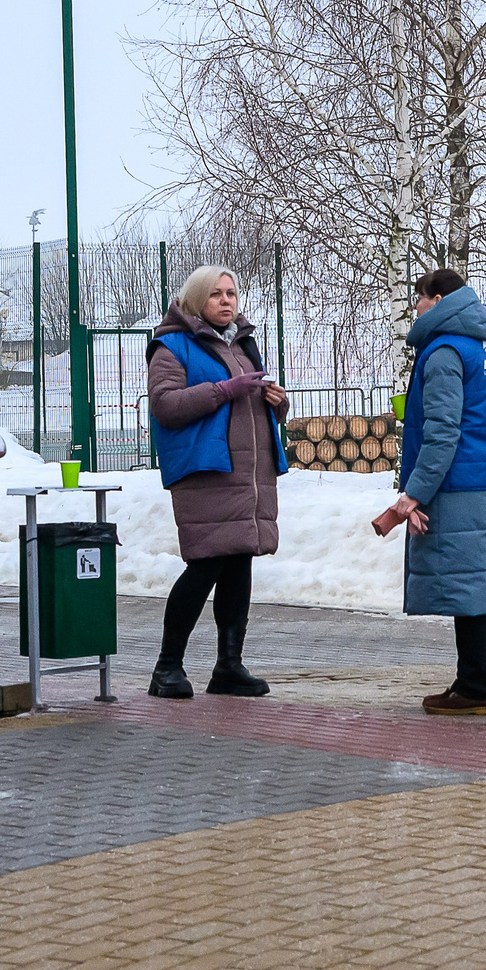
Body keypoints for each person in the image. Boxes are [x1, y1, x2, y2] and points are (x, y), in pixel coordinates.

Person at [146, 264, 289, 699]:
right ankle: (167, 667)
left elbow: (250, 402)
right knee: (205, 564)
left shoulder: (242, 343)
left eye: (231, 293)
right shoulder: (172, 346)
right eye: (216, 294)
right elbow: (165, 405)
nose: (226, 301)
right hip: (207, 472)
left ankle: (229, 666)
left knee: (239, 562)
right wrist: (226, 389)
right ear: (196, 300)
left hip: (249, 474)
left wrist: (277, 403)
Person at [370, 268, 486, 716]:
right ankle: (473, 680)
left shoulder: (445, 352)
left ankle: (478, 687)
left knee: (465, 587)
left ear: (437, 300)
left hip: (454, 485)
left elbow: (443, 432)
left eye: (419, 298)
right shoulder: (482, 346)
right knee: (470, 583)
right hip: (480, 478)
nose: (415, 307)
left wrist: (415, 492)